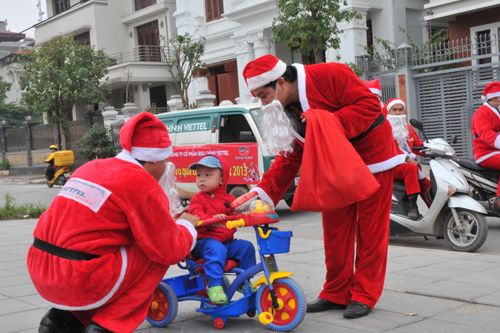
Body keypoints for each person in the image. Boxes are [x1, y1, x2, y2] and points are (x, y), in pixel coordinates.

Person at [240, 54, 405, 319]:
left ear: (281, 82)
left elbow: (369, 107)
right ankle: (336, 292)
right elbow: (292, 156)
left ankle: (364, 295)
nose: (263, 103)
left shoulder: (332, 74)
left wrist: (323, 121)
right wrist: (262, 191)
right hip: (334, 165)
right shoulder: (285, 108)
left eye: (263, 96)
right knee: (334, 231)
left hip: (373, 159)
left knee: (371, 232)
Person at [27, 112, 199, 333]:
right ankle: (109, 326)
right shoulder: (140, 181)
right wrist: (186, 226)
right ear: (153, 160)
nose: (167, 167)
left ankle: (60, 321)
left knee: (104, 252)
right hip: (79, 277)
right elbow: (169, 249)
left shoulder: (92, 167)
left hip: (41, 266)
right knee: (154, 254)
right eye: (165, 161)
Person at [188, 155, 256, 305]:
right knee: (216, 248)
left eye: (207, 175)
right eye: (198, 175)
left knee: (246, 247)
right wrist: (210, 218)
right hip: (204, 243)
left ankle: (244, 281)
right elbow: (195, 213)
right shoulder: (197, 199)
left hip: (227, 242)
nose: (201, 179)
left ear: (222, 179)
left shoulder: (229, 200)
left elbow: (237, 212)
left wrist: (249, 214)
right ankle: (214, 286)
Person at [385, 98, 432, 219]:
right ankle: (412, 207)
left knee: (428, 185)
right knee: (410, 169)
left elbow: (417, 145)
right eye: (394, 110)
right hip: (391, 165)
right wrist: (406, 159)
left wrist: (432, 150)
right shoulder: (384, 128)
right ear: (388, 111)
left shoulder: (407, 127)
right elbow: (388, 149)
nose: (398, 113)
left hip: (412, 165)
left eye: (400, 109)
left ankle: (438, 217)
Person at [472, 81, 500, 210]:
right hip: (486, 153)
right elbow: (485, 133)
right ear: (494, 98)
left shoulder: (496, 111)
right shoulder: (482, 113)